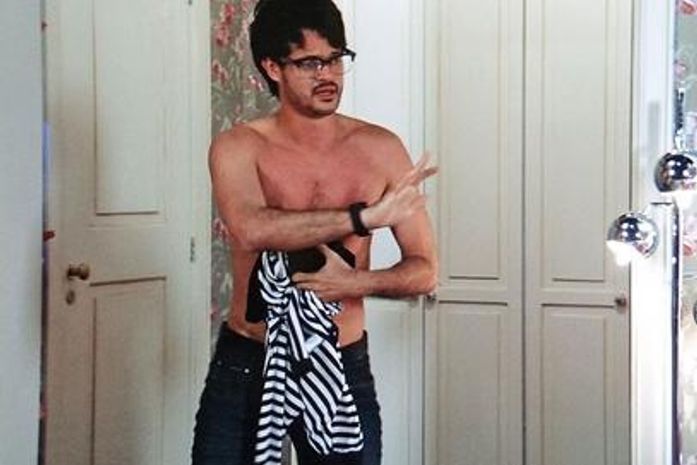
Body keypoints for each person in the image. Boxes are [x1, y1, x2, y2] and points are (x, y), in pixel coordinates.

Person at [192, 0, 437, 464]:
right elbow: (250, 228)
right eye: (309, 63)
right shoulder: (239, 146)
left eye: (335, 58)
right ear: (273, 67)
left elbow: (425, 271)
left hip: (342, 361)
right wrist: (364, 218)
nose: (328, 75)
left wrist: (355, 282)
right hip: (249, 359)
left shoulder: (381, 149)